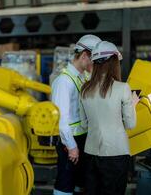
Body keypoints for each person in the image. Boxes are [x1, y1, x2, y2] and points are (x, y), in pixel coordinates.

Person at [79, 41, 139, 195]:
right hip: (116, 153)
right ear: (114, 62)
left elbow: (84, 124)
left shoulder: (84, 89)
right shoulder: (122, 88)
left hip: (91, 152)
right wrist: (133, 104)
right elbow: (131, 124)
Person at [51, 34, 102, 195]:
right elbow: (61, 119)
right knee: (65, 182)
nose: (96, 64)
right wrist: (71, 147)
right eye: (94, 60)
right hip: (69, 141)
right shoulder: (64, 82)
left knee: (79, 182)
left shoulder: (81, 78)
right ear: (85, 55)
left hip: (81, 138)